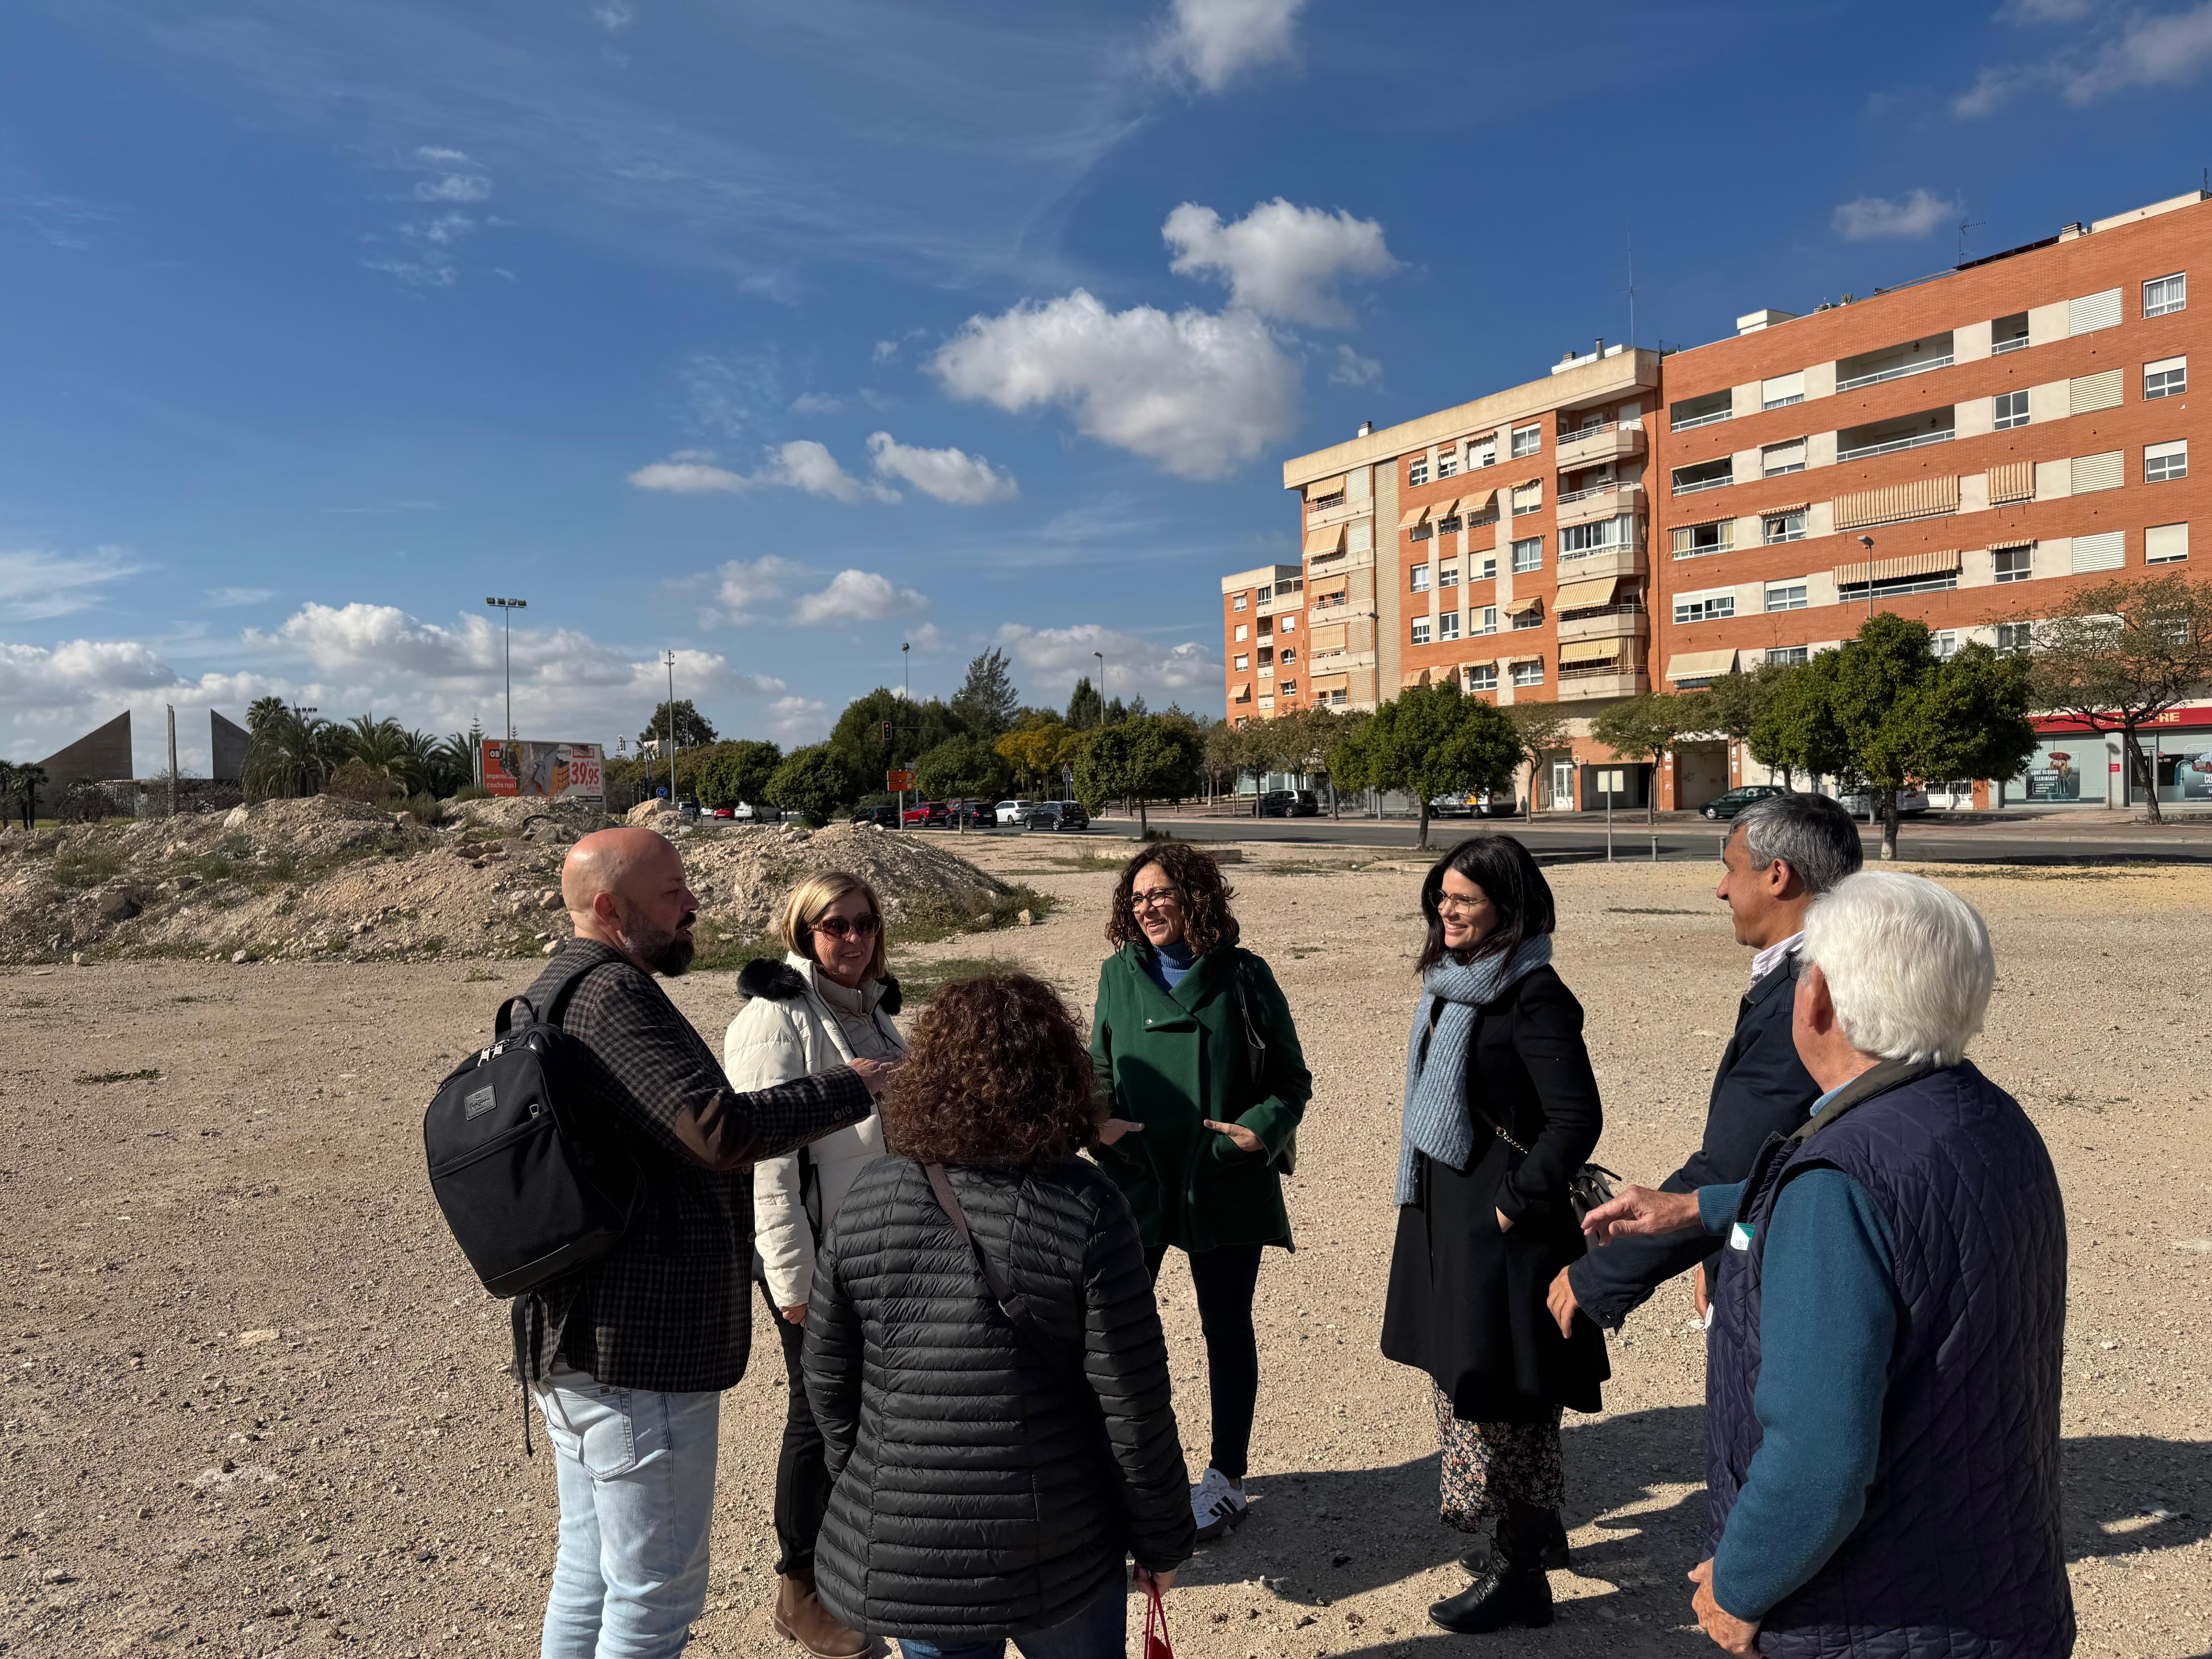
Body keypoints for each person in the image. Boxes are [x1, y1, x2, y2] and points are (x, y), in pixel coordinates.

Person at [1583, 872, 2072, 1659]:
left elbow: (1820, 1462)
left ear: (1817, 1001)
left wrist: (1739, 1588)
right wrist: (1698, 1209)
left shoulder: (1838, 1184)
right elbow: (1904, 1210)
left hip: (1871, 1616)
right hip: (1995, 1588)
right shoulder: (1989, 1120)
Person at [515, 828, 898, 1659]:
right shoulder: (610, 994)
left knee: (591, 1571)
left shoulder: (559, 985)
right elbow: (717, 1131)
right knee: (656, 1595)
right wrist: (848, 1089)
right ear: (611, 908)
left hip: (591, 1336)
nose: (694, 904)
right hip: (636, 1347)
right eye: (672, 892)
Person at [803, 972, 1195, 1657]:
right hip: (1058, 1547)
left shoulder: (872, 1193)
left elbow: (827, 1377)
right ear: (1060, 1074)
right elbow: (1131, 1403)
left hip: (910, 1545)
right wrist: (1161, 1537)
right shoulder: (1087, 1204)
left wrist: (867, 1477)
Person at [1378, 833, 1608, 1636]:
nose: (1447, 910)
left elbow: (1578, 1117)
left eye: (1465, 899)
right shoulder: (1451, 984)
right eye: (1441, 897)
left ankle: (1520, 1577)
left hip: (1503, 1230)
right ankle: (1537, 1535)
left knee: (1503, 1390)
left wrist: (1515, 1202)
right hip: (1448, 1213)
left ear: (1508, 909)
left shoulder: (1533, 994)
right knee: (1482, 1379)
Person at [1553, 790, 1862, 1336]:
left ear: (1777, 876)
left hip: (1792, 1284)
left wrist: (1596, 1275)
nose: (1720, 889)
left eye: (1729, 869)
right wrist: (1715, 1244)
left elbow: (1736, 1162)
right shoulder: (1856, 963)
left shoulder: (1810, 993)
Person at [1087, 841, 1311, 1543]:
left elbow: (1290, 1079)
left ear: (1196, 899)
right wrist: (1101, 1125)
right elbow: (1096, 1062)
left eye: (1163, 894)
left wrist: (1256, 1132)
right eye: (1139, 896)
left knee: (1226, 1328)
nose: (1149, 907)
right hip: (1142, 1178)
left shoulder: (1245, 976)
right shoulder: (1117, 974)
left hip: (1223, 1178)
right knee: (1114, 1332)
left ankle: (1227, 1479)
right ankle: (1119, 1476)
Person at [723, 873, 907, 1659]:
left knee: (870, 1411)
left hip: (883, 1252)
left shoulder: (874, 1013)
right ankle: (798, 1590)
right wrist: (792, 1281)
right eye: (835, 926)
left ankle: (856, 1559)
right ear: (804, 932)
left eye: (866, 925)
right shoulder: (777, 1019)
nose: (854, 940)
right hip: (817, 1261)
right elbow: (766, 1161)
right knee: (816, 1414)